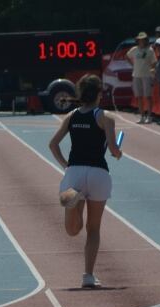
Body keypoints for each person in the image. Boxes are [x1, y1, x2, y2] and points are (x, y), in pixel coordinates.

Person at [48, 74, 122, 289]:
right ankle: (88, 276)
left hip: (75, 172)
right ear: (99, 95)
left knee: (72, 230)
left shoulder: (71, 116)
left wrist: (66, 166)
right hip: (99, 173)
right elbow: (114, 149)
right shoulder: (105, 117)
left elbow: (52, 144)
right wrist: (118, 152)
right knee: (93, 228)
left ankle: (73, 205)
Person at [127, 32, 157, 124]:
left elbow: (154, 62)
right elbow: (127, 56)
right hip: (136, 75)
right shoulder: (134, 49)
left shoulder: (150, 50)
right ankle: (142, 116)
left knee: (148, 96)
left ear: (146, 40)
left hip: (147, 75)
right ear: (138, 40)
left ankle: (149, 116)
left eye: (143, 39)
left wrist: (152, 71)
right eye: (140, 39)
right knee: (139, 97)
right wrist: (132, 65)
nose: (142, 41)